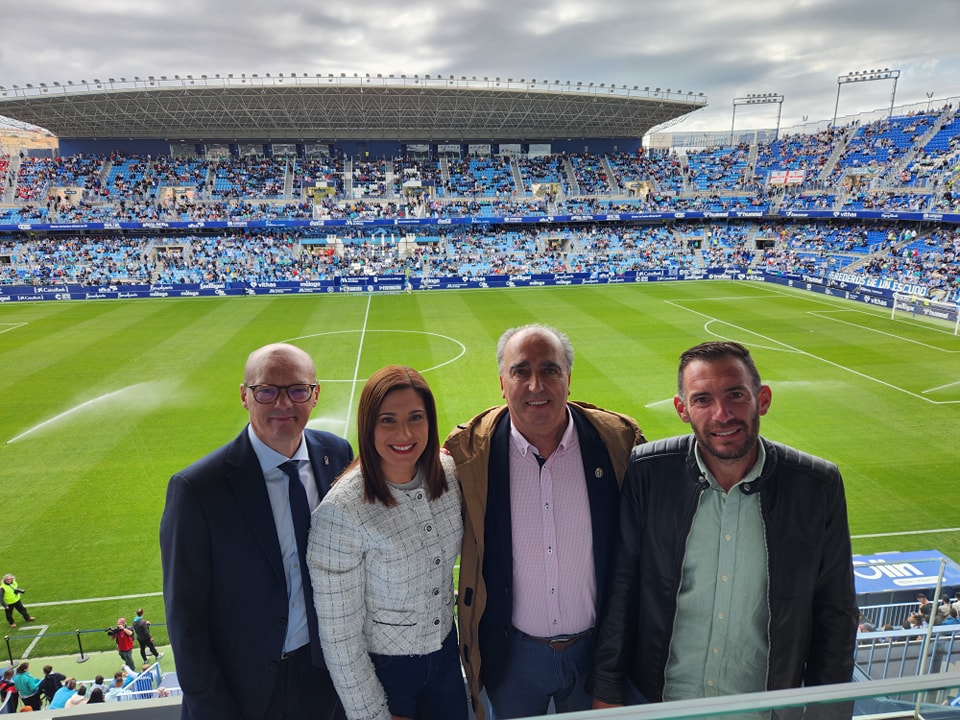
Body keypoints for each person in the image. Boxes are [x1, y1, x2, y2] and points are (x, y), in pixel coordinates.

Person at [590, 341, 859, 716]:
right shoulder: (648, 471)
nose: (722, 414)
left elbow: (836, 613)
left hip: (762, 709)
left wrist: (826, 713)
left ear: (762, 399)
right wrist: (606, 689)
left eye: (735, 395)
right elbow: (622, 587)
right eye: (702, 400)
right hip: (660, 705)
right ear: (682, 410)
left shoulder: (817, 486)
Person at [444, 324, 645, 719]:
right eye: (521, 371)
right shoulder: (468, 455)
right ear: (502, 384)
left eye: (550, 370)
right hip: (511, 658)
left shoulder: (618, 443)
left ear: (568, 378)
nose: (536, 385)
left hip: (598, 655)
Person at [160, 342, 353, 720]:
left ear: (316, 394)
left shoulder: (337, 454)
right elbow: (186, 624)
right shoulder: (198, 489)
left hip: (328, 682)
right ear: (244, 397)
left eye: (297, 390)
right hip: (244, 695)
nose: (283, 403)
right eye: (266, 391)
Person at [308, 366, 467, 720]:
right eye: (388, 421)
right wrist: (373, 714)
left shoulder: (448, 475)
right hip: (386, 675)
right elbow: (340, 638)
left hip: (445, 659)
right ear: (369, 426)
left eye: (415, 418)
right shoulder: (341, 511)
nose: (404, 433)